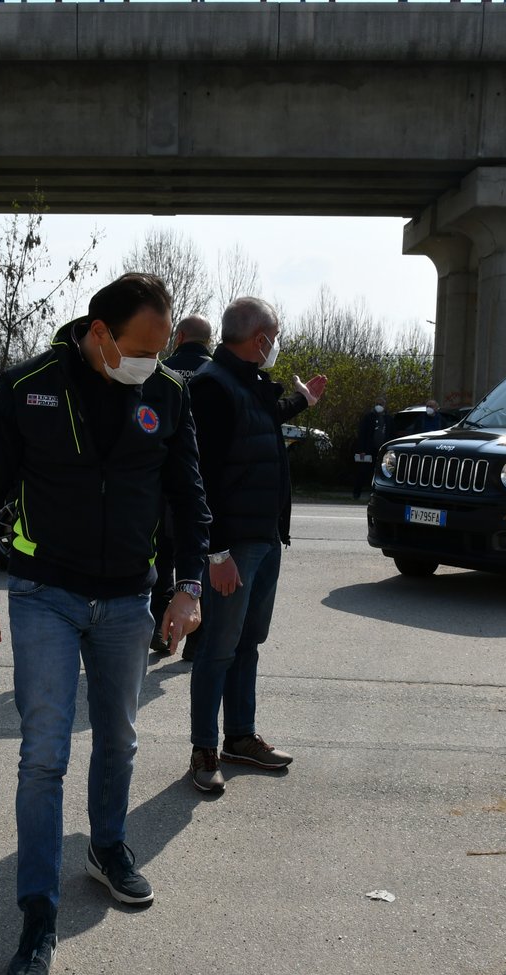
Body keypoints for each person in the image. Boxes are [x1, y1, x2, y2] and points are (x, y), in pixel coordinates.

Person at [0, 273, 209, 975]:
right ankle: (38, 915)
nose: (150, 364)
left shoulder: (168, 392)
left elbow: (189, 497)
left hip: (129, 596)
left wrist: (188, 585)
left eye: (160, 351)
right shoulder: (28, 385)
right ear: (99, 331)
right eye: (139, 349)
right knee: (43, 753)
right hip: (45, 594)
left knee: (122, 738)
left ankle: (107, 846)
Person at [186, 297, 326, 793]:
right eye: (276, 335)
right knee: (218, 648)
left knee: (248, 643)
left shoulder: (252, 383)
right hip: (234, 547)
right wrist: (217, 551)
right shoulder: (211, 386)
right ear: (259, 339)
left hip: (265, 539)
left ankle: (240, 737)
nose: (277, 344)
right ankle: (204, 749)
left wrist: (304, 400)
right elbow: (199, 475)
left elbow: (264, 420)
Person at [150, 314, 212, 655]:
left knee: (161, 562)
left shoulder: (163, 374)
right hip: (201, 485)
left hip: (160, 487)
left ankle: (161, 633)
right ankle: (194, 642)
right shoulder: (218, 374)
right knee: (195, 562)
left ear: (180, 336)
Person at [353, 401, 390, 499]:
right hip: (368, 449)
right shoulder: (368, 417)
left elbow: (391, 434)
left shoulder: (388, 419)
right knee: (362, 471)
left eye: (381, 404)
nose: (379, 406)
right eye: (377, 404)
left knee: (381, 473)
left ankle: (376, 494)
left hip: (382, 450)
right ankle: (356, 493)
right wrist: (361, 449)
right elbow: (362, 434)